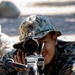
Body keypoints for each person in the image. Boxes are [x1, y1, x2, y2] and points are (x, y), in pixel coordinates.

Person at [1, 14, 75, 75]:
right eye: (32, 45)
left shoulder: (70, 53)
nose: (40, 50)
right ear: (24, 46)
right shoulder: (17, 57)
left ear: (55, 39)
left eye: (43, 42)